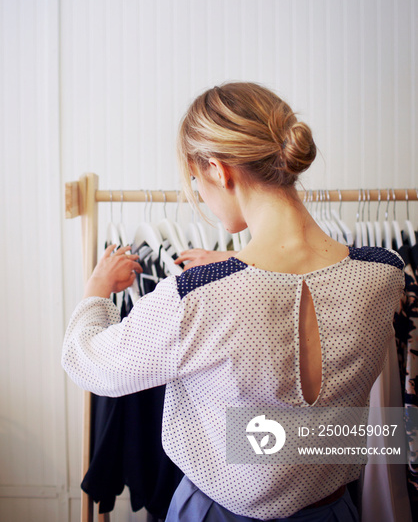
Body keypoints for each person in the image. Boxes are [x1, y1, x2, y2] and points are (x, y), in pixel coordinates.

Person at [62, 82, 405, 521]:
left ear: (217, 169)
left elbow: (87, 362)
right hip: (334, 511)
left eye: (194, 178)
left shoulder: (197, 297)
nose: (198, 192)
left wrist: (95, 290)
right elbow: (301, 433)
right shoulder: (383, 274)